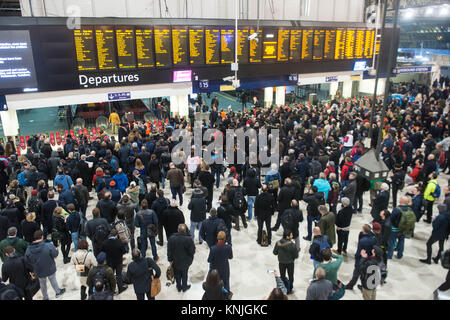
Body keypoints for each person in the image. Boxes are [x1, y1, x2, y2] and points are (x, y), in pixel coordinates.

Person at [24, 230, 65, 300]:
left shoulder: (29, 249)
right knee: (53, 280)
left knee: (42, 284)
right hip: (49, 267)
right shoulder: (48, 246)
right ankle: (58, 292)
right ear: (42, 237)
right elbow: (55, 254)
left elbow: (27, 260)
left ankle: (45, 297)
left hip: (38, 270)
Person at [345, 224, 377, 290]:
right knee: (365, 274)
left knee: (356, 273)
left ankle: (350, 285)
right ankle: (363, 286)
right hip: (370, 259)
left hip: (362, 259)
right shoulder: (373, 238)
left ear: (363, 230)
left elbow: (359, 252)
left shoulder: (363, 241)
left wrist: (356, 257)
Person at [167, 224, 195, 292]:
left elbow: (169, 250)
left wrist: (170, 259)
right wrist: (191, 258)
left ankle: (179, 287)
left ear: (178, 230)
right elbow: (192, 251)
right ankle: (184, 287)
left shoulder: (171, 238)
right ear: (185, 230)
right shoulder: (189, 239)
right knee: (185, 274)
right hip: (186, 261)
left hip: (175, 261)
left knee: (177, 274)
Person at [387, 196, 416, 260]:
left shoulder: (397, 209)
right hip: (404, 229)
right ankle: (400, 255)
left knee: (391, 242)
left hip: (395, 229)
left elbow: (391, 219)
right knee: (401, 241)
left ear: (400, 201)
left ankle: (389, 255)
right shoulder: (410, 209)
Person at [101, 228, 128, 294]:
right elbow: (124, 251)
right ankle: (120, 288)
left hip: (109, 261)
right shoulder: (119, 242)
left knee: (110, 275)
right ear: (116, 235)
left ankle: (111, 289)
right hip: (118, 261)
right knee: (119, 275)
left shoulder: (105, 243)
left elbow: (103, 251)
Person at [273, 229, 298, 294]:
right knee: (291, 276)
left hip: (281, 262)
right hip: (290, 263)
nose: (292, 236)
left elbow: (275, 253)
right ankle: (290, 289)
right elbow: (296, 255)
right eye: (291, 235)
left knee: (282, 276)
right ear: (287, 237)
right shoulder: (292, 244)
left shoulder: (278, 243)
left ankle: (284, 288)